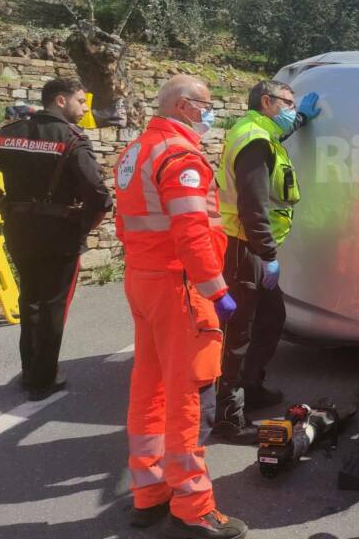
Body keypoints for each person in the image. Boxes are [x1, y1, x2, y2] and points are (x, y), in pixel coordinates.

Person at [115, 75, 247, 538]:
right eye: (207, 106)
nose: (211, 114)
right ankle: (192, 507)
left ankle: (148, 493)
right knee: (191, 393)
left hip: (144, 280)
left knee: (149, 388)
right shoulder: (180, 155)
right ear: (187, 106)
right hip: (180, 286)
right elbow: (191, 230)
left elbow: (124, 221)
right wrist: (216, 290)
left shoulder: (136, 151)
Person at [0, 77, 111, 401]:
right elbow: (98, 193)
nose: (85, 108)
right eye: (80, 101)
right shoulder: (72, 140)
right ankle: (44, 379)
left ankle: (30, 370)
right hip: (59, 233)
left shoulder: (11, 134)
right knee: (53, 304)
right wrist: (85, 224)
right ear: (59, 100)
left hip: (19, 229)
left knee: (29, 299)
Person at [212, 80, 320, 443]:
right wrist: (268, 256)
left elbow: (283, 133)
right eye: (288, 103)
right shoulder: (254, 140)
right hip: (248, 248)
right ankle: (228, 416)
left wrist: (302, 118)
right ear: (267, 101)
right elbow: (252, 205)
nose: (291, 108)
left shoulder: (260, 133)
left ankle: (251, 387)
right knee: (239, 334)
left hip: (253, 248)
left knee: (272, 319)